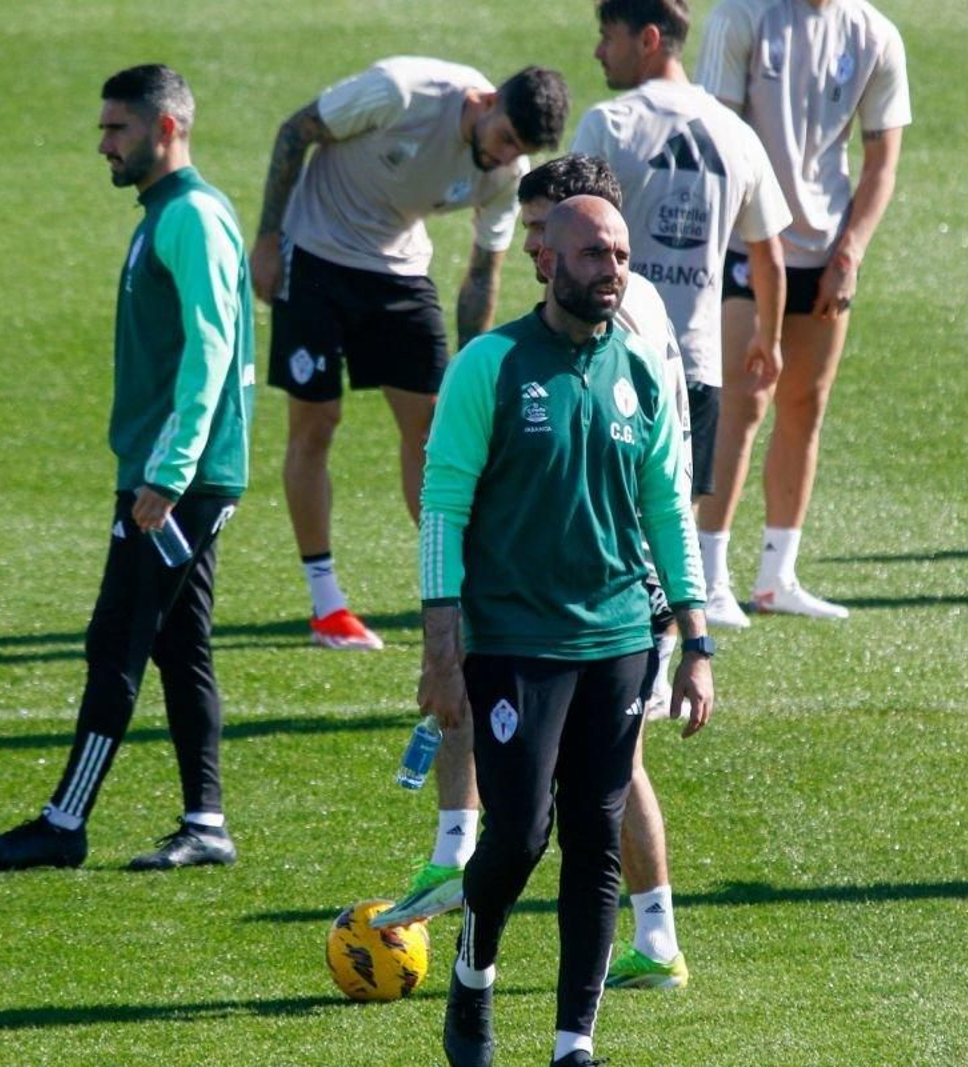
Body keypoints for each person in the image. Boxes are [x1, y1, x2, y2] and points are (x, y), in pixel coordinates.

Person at [373, 155, 696, 993]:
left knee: (608, 777)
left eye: (546, 234)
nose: (533, 253)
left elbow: (654, 474)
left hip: (620, 574)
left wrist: (688, 621)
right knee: (560, 798)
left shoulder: (625, 320)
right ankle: (470, 866)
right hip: (575, 578)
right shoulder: (522, 346)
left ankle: (639, 936)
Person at [0, 64, 254, 871]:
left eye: (116, 129)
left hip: (177, 478)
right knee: (178, 641)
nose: (103, 145)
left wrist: (168, 475)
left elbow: (212, 350)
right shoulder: (168, 211)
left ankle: (65, 823)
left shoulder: (189, 216)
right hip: (178, 469)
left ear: (166, 129)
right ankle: (207, 823)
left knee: (117, 638)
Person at [250, 60, 569, 651]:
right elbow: (297, 130)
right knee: (317, 423)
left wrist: (473, 369)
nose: (503, 158)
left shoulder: (508, 172)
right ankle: (326, 605)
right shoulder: (400, 91)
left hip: (396, 270)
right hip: (314, 255)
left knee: (434, 427)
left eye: (518, 150)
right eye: (504, 140)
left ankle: (464, 585)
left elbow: (481, 273)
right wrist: (268, 238)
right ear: (487, 100)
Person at [570, 0, 792, 633]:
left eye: (606, 37)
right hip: (694, 363)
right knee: (674, 527)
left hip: (607, 355)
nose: (597, 51)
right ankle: (658, 678)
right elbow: (769, 253)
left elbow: (565, 235)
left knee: (603, 519)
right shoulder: (734, 134)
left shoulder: (608, 124)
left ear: (647, 40)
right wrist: (768, 341)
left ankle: (609, 660)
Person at [693, 0, 911, 626]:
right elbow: (716, 136)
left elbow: (882, 161)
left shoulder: (874, 35)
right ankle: (707, 576)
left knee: (804, 405)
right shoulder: (744, 16)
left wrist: (851, 251)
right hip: (745, 242)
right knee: (743, 399)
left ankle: (775, 575)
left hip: (824, 246)